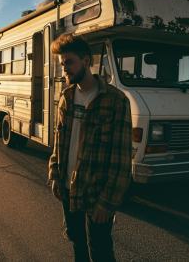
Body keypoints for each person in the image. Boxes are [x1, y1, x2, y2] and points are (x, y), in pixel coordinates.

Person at [49, 33, 132, 262]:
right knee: (76, 241)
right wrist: (55, 175)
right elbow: (59, 141)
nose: (65, 68)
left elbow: (122, 160)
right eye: (62, 63)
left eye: (69, 62)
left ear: (86, 61)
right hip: (68, 189)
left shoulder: (115, 101)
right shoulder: (66, 97)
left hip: (96, 194)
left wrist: (108, 201)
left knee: (100, 249)